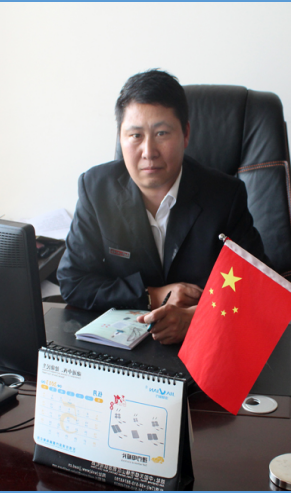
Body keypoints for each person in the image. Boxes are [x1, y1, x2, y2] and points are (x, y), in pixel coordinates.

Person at [57, 69, 269, 344]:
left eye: (161, 133)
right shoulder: (96, 189)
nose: (149, 152)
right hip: (123, 349)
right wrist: (152, 295)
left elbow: (259, 287)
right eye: (135, 135)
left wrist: (196, 317)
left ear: (185, 134)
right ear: (120, 137)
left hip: (204, 347)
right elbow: (74, 282)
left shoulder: (225, 196)